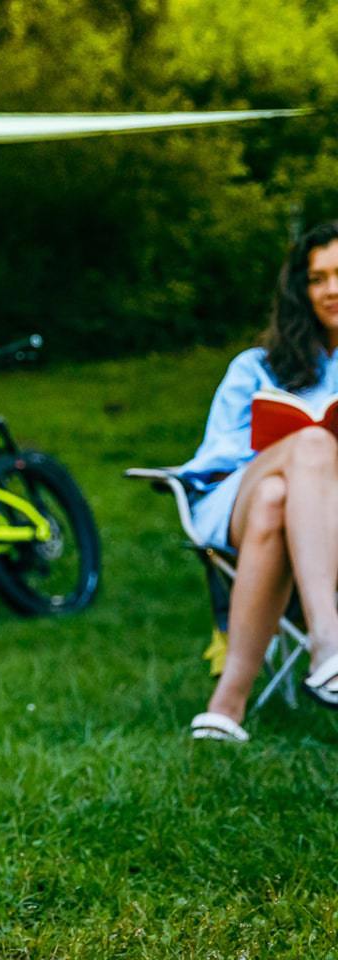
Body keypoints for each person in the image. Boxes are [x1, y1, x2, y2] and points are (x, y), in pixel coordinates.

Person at [179, 220, 338, 742]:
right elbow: (216, 456)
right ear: (300, 291)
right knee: (306, 450)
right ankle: (327, 641)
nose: (331, 290)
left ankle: (227, 706)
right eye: (317, 278)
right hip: (237, 502)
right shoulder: (256, 367)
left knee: (277, 498)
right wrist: (286, 451)